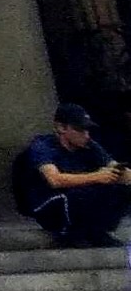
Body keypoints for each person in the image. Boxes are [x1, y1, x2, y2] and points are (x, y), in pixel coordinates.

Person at [17, 102, 130, 248]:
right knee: (82, 194)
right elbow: (54, 180)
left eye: (87, 130)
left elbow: (113, 167)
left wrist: (119, 174)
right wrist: (97, 176)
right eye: (80, 130)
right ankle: (71, 234)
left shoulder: (89, 145)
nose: (86, 135)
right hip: (50, 202)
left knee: (119, 191)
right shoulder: (43, 146)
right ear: (61, 128)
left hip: (81, 196)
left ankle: (98, 231)